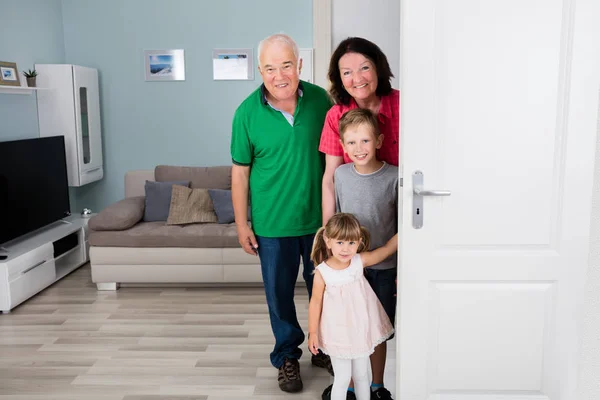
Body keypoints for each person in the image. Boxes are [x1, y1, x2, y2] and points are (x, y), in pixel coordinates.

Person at [230, 33, 333, 393]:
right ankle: (288, 355)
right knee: (279, 294)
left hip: (320, 223)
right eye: (270, 68)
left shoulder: (322, 100)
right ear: (260, 70)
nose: (279, 75)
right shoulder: (246, 113)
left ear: (299, 65)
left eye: (286, 65)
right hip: (272, 226)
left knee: (327, 290)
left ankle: (324, 346)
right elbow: (240, 173)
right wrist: (242, 223)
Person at [323, 108, 399, 400]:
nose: (359, 149)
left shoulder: (394, 176)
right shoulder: (341, 175)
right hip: (348, 267)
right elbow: (338, 218)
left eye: (365, 141)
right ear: (342, 146)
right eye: (351, 143)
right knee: (351, 325)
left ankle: (377, 384)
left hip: (383, 267)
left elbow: (401, 220)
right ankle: (354, 384)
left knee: (377, 328)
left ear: (379, 141)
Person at [308, 213, 396, 400]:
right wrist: (313, 332)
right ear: (328, 240)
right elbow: (315, 303)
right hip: (337, 332)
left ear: (359, 242)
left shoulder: (358, 262)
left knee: (362, 375)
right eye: (340, 242)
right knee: (343, 377)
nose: (345, 249)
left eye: (351, 243)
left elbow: (387, 249)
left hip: (359, 331)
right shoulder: (323, 272)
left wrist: (407, 230)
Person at [320, 37, 400, 225]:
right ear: (339, 78)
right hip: (356, 224)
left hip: (402, 217)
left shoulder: (403, 106)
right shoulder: (335, 116)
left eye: (365, 68)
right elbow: (330, 179)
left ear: (378, 68)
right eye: (347, 72)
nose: (357, 79)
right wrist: (327, 232)